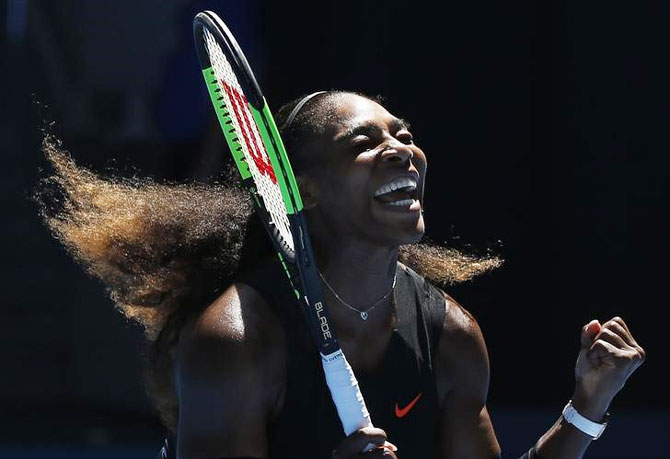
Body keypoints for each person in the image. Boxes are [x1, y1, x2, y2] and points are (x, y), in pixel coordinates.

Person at [38, 91, 645, 459]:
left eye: (404, 135)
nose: (402, 149)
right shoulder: (236, 340)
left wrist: (588, 405)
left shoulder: (452, 337)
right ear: (303, 189)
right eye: (364, 142)